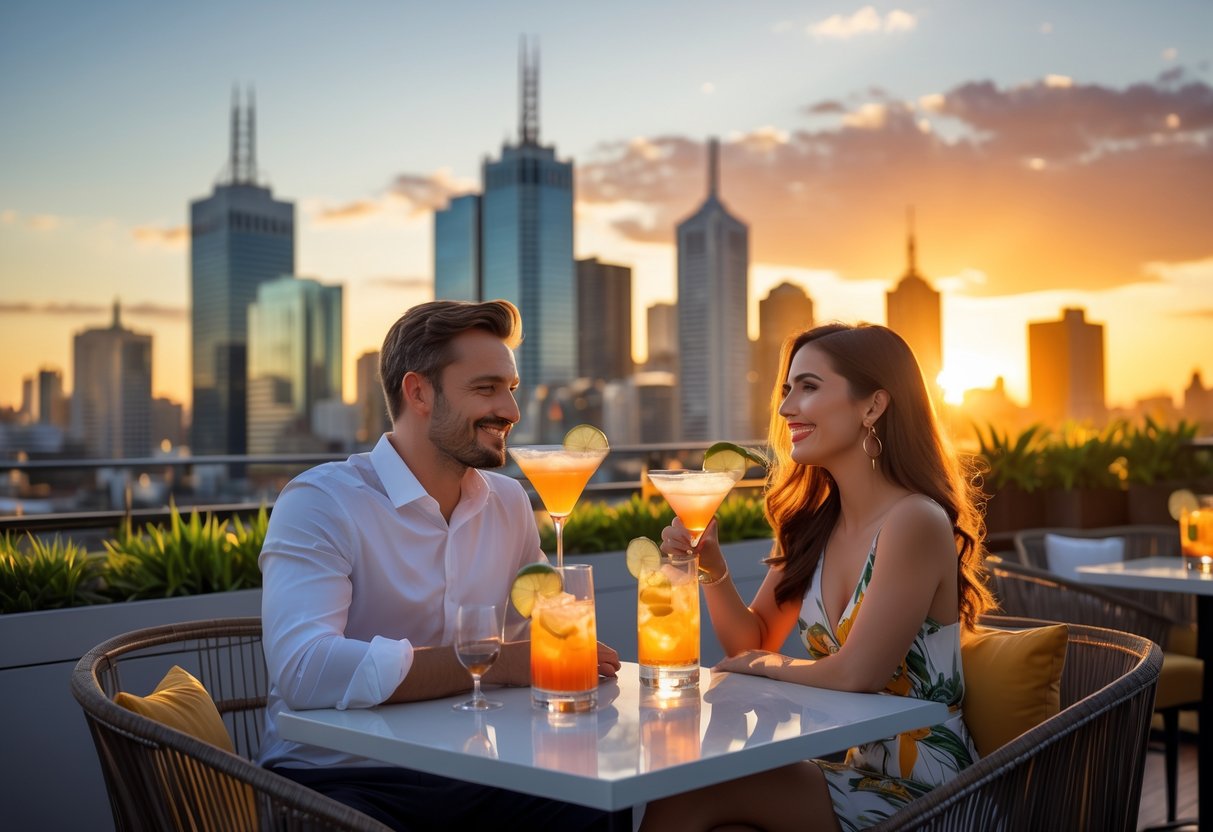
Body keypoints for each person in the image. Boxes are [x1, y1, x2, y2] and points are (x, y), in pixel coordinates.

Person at [257, 298, 620, 831]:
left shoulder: (510, 503)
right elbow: (304, 670)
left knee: (600, 805)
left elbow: (545, 636)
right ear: (419, 392)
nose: (512, 411)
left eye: (511, 389)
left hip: (482, 768)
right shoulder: (320, 502)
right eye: (486, 388)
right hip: (343, 782)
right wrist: (500, 662)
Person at [641, 322, 994, 832]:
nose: (785, 409)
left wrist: (764, 666)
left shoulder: (914, 521)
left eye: (808, 387)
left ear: (872, 406)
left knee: (700, 781)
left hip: (930, 795)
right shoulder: (813, 525)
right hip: (856, 775)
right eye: (786, 390)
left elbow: (857, 674)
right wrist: (712, 569)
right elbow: (752, 638)